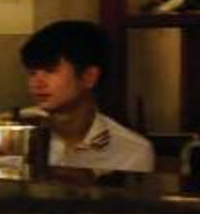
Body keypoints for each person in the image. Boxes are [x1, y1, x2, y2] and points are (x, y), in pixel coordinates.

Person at [19, 20, 154, 173]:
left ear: (89, 76)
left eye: (50, 71)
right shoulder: (16, 134)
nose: (37, 83)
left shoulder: (131, 151)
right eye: (32, 73)